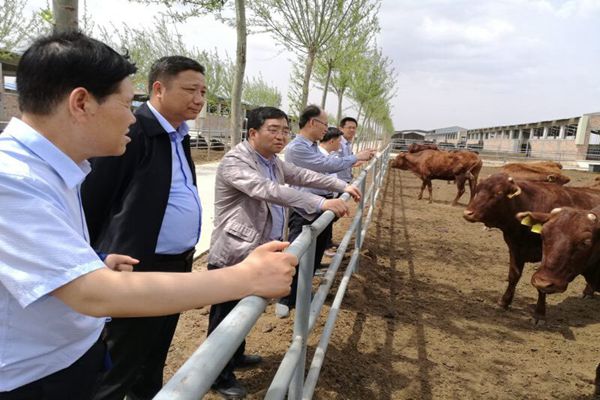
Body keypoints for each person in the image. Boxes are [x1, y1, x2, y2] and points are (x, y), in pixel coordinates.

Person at [0, 31, 297, 400]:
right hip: (33, 379)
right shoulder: (12, 179)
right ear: (81, 103)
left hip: (68, 355)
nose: (132, 118)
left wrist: (92, 259)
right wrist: (245, 277)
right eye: (127, 104)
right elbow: (92, 294)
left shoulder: (56, 168)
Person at [79, 54, 213, 400]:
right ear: (159, 89)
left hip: (176, 265)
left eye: (203, 91)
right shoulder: (134, 132)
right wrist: (96, 258)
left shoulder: (179, 135)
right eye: (190, 90)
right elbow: (94, 200)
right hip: (137, 268)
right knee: (120, 364)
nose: (199, 99)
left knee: (152, 358)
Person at [207, 107, 359, 398]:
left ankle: (235, 355)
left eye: (285, 130)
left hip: (257, 249)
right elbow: (268, 190)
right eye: (273, 130)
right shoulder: (236, 162)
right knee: (225, 315)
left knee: (243, 310)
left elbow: (302, 174)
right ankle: (217, 375)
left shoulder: (273, 161)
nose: (281, 136)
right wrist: (319, 203)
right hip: (234, 251)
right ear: (253, 133)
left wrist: (342, 184)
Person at [279, 105, 374, 318]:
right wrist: (354, 158)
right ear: (312, 122)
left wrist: (340, 186)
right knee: (297, 253)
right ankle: (286, 297)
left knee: (315, 252)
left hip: (321, 205)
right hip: (303, 208)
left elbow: (322, 172)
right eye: (325, 124)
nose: (327, 128)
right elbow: (324, 166)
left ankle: (302, 293)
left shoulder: (312, 146)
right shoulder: (297, 148)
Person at [319, 127, 344, 258]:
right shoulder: (320, 156)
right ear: (332, 141)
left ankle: (324, 247)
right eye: (339, 141)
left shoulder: (328, 155)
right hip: (319, 199)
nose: (340, 144)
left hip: (327, 197)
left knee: (325, 226)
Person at [337, 116, 360, 183]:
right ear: (341, 129)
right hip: (338, 182)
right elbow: (335, 163)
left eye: (354, 128)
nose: (352, 130)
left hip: (346, 180)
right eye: (349, 127)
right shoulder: (337, 143)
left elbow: (346, 162)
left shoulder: (348, 144)